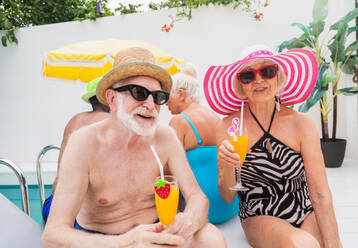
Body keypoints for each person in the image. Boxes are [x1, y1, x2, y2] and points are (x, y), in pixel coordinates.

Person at [42, 47, 226, 248]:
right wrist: (127, 242)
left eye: (157, 97)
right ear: (112, 99)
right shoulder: (84, 143)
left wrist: (188, 220)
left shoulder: (165, 137)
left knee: (211, 238)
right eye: (139, 93)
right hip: (105, 240)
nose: (150, 105)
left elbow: (197, 196)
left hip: (156, 230)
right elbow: (53, 235)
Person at [205, 45, 342, 247]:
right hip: (259, 213)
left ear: (278, 76)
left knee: (325, 243)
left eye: (268, 71)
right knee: (303, 244)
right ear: (240, 84)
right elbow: (227, 196)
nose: (259, 79)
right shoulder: (228, 126)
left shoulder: (301, 123)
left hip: (304, 207)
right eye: (248, 75)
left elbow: (320, 194)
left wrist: (334, 243)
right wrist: (227, 164)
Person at [167, 64, 239, 224]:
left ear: (181, 94)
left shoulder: (179, 121)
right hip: (231, 205)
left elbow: (168, 170)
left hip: (204, 210)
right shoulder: (214, 117)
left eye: (167, 96)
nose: (165, 102)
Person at [42, 77, 110, 223]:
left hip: (52, 205)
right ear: (109, 98)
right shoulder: (109, 123)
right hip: (76, 215)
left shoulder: (75, 119)